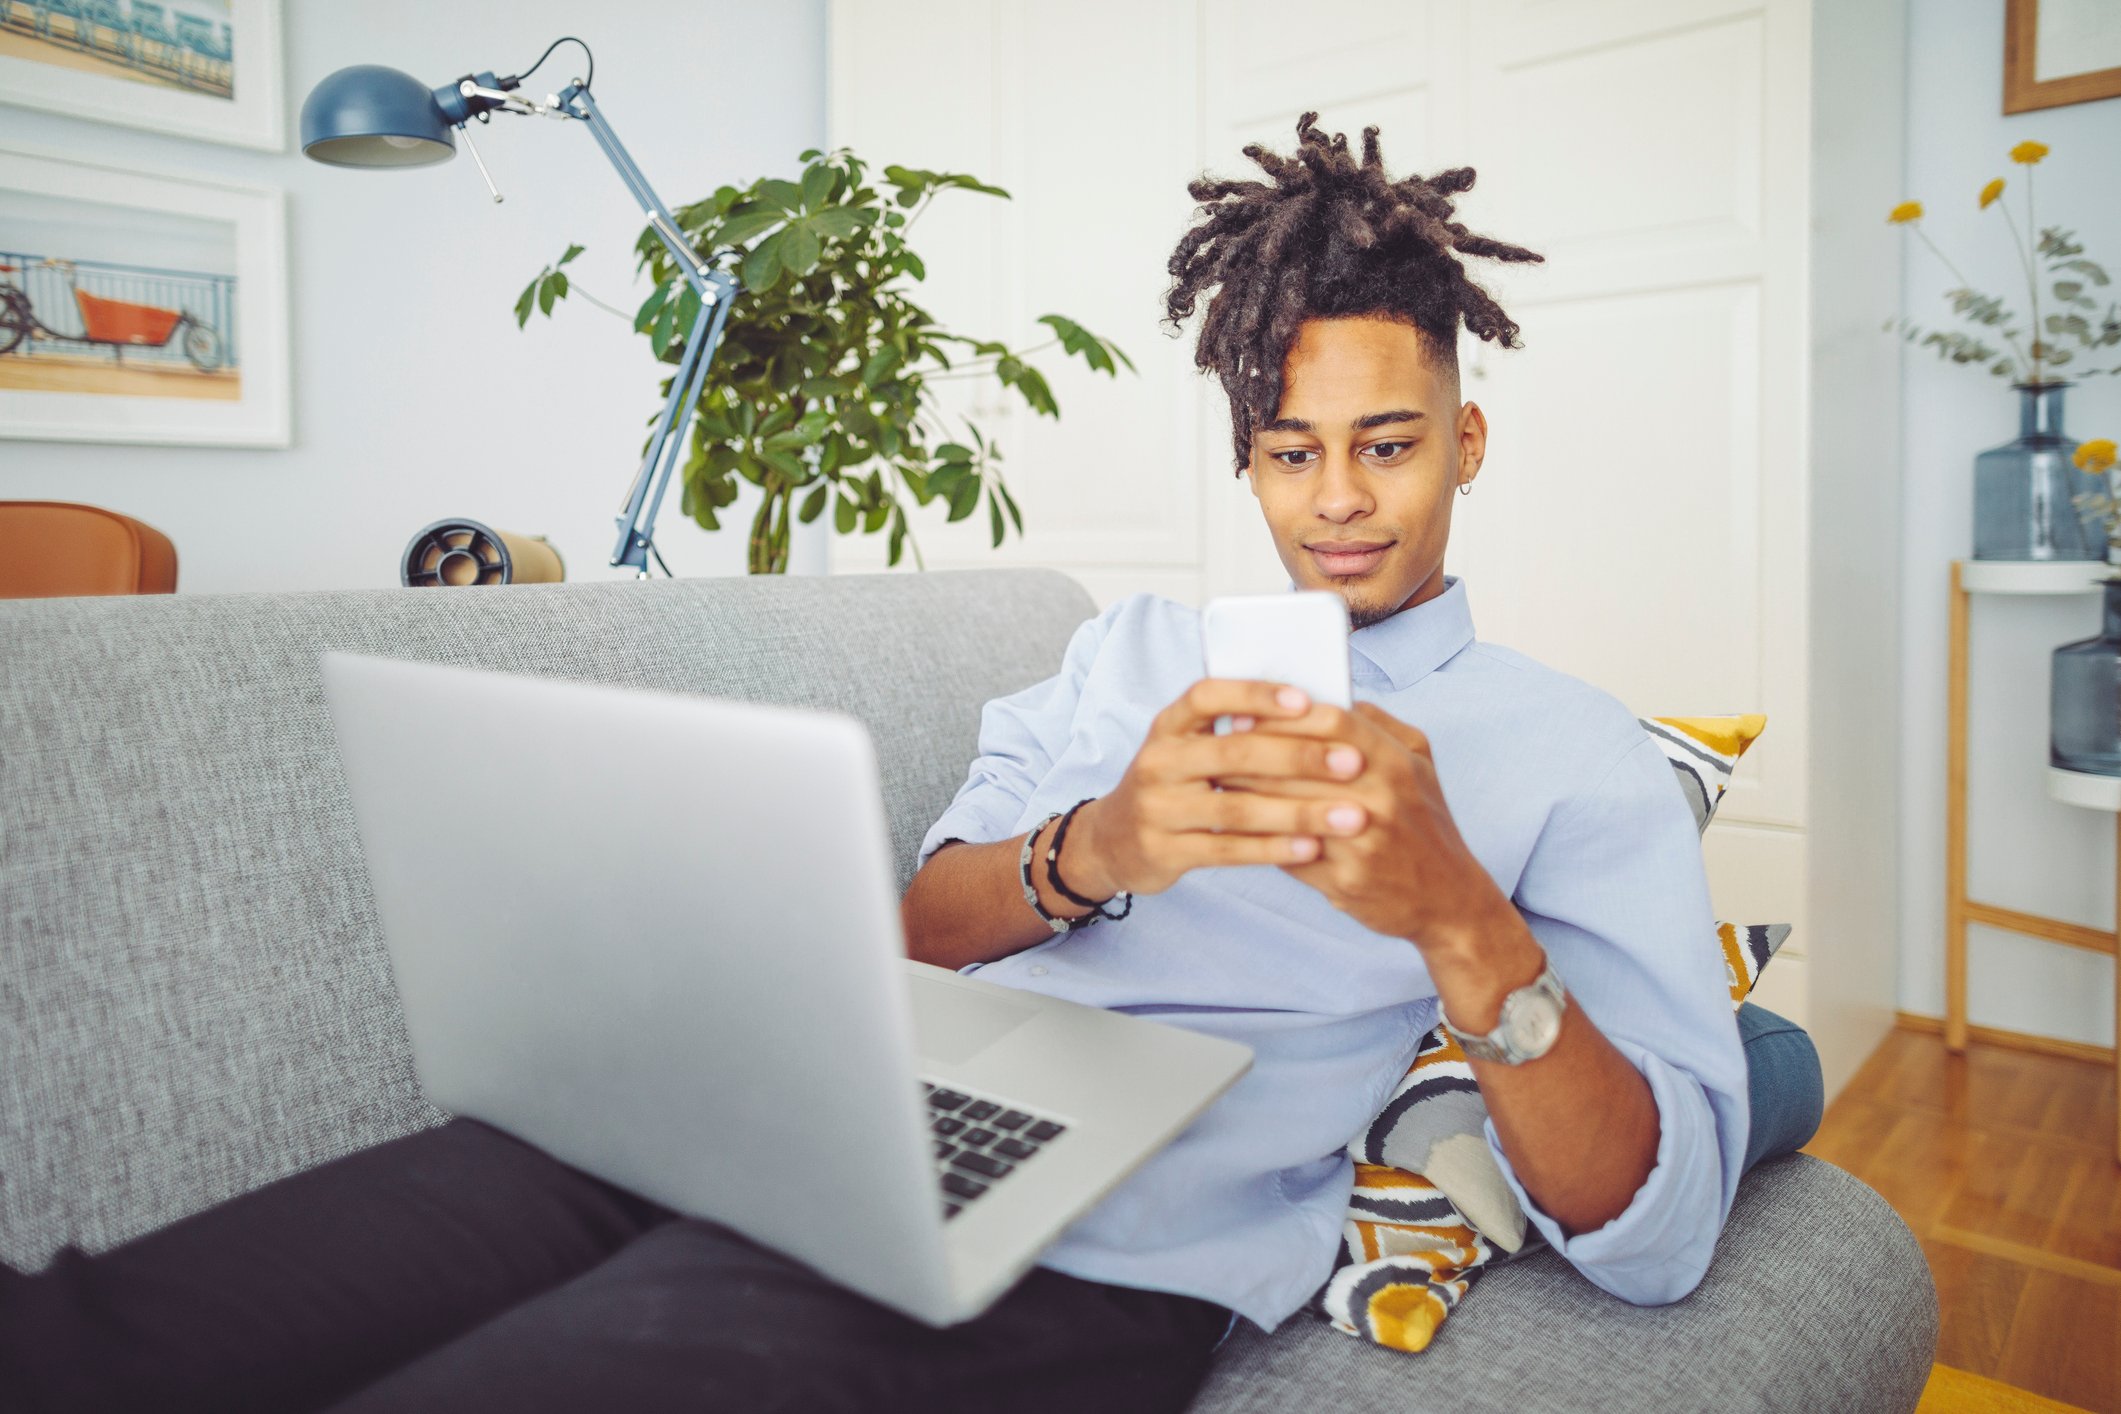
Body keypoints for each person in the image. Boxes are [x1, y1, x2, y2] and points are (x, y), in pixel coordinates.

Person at [0, 116, 1821, 1414]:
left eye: (1386, 443)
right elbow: (915, 933)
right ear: (1245, 460)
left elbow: (1650, 1236)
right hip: (802, 1092)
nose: (1335, 502)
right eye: (1286, 451)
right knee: (104, 1334)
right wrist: (1094, 847)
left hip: (1097, 1243)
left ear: (1468, 439)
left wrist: (1454, 919)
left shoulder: (1568, 758)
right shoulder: (1126, 654)